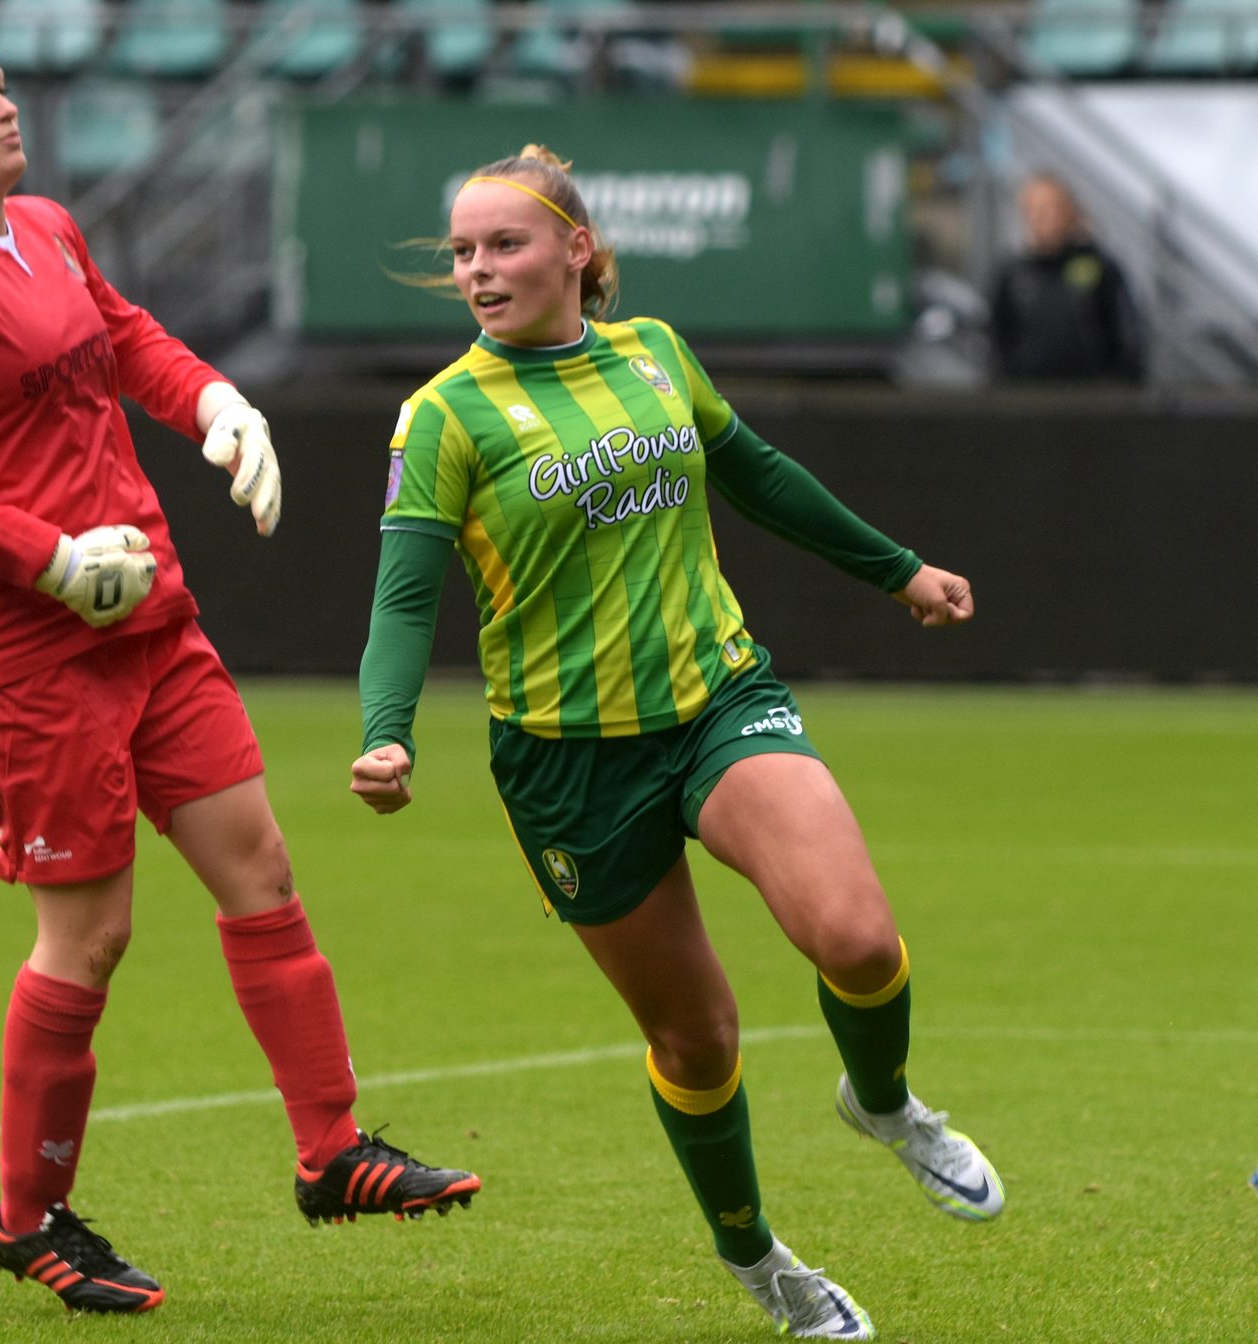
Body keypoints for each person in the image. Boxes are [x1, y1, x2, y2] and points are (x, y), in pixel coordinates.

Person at [0, 16, 478, 1317]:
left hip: (151, 622)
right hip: (26, 652)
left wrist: (214, 403)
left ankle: (333, 1152)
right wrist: (56, 559)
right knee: (92, 933)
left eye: (2, 83)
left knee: (261, 867)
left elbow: (124, 337)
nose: (7, 107)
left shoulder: (51, 226)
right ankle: (26, 1219)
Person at [350, 146, 1004, 1341]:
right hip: (568, 761)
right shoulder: (442, 414)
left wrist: (898, 569)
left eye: (504, 244)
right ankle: (762, 1264)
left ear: (576, 250)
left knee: (857, 938)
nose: (478, 271)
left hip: (716, 701)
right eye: (461, 252)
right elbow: (404, 598)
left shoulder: (655, 352)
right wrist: (385, 738)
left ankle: (889, 1105)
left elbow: (752, 472)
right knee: (696, 1035)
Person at [990, 172, 1144, 381]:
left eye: (1051, 208)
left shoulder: (1100, 267)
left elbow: (1127, 337)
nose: (1043, 218)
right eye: (1034, 210)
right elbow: (998, 342)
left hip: (1090, 401)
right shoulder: (1012, 275)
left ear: (1070, 212)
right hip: (1028, 401)